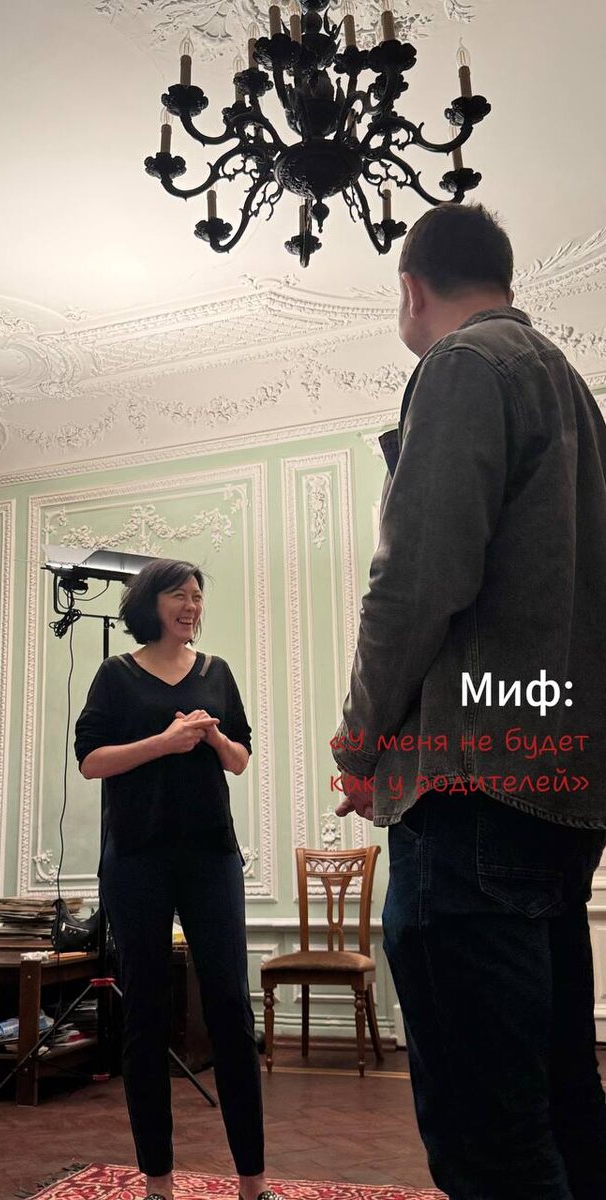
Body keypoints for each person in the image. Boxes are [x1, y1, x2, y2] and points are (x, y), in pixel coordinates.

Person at [331, 203, 606, 1199]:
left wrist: (359, 742)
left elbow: (412, 584)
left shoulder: (461, 365)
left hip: (469, 791)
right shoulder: (573, 393)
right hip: (557, 793)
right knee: (562, 1105)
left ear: (411, 289)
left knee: (486, 1135)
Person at [75, 558, 282, 1200]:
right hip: (137, 858)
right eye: (180, 596)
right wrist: (162, 743)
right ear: (150, 603)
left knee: (231, 1010)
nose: (192, 607)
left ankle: (253, 1184)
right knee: (144, 1012)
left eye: (198, 596)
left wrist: (213, 739)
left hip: (210, 855)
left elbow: (240, 758)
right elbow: (90, 761)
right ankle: (158, 1184)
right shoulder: (116, 674)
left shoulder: (216, 672)